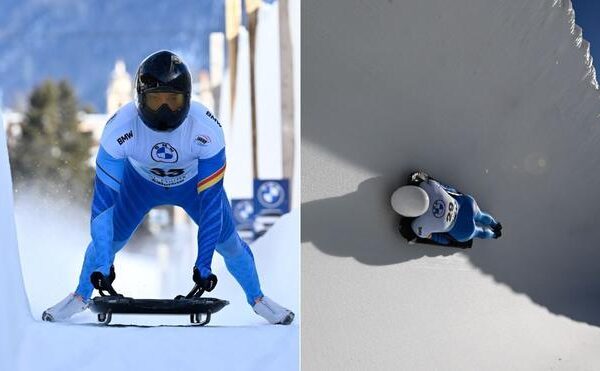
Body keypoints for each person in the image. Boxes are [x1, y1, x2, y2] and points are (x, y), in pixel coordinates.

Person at [42, 50, 294, 325]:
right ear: (139, 99)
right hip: (138, 185)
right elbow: (103, 208)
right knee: (111, 241)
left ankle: (258, 299)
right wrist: (103, 266)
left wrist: (204, 265)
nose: (164, 110)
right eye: (155, 100)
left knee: (229, 243)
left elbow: (210, 205)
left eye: (172, 101)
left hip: (193, 186)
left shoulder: (207, 130)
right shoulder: (118, 129)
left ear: (187, 99)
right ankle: (80, 295)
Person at [392, 171, 502, 247]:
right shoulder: (429, 186)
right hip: (467, 206)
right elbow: (450, 189)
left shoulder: (419, 227)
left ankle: (493, 234)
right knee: (480, 217)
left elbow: (442, 240)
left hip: (462, 230)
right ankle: (495, 225)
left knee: (478, 232)